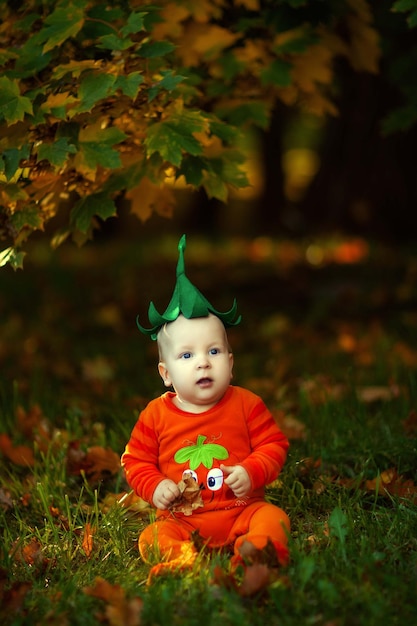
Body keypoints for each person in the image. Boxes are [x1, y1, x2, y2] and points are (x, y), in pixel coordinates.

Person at [121, 235, 290, 593]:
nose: (202, 362)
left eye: (213, 351)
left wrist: (251, 469)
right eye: (187, 356)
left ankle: (253, 556)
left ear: (230, 363)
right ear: (165, 374)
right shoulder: (155, 415)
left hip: (243, 510)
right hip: (182, 519)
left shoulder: (246, 403)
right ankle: (182, 560)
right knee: (152, 535)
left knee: (274, 519)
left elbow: (274, 444)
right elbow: (135, 460)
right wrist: (156, 486)